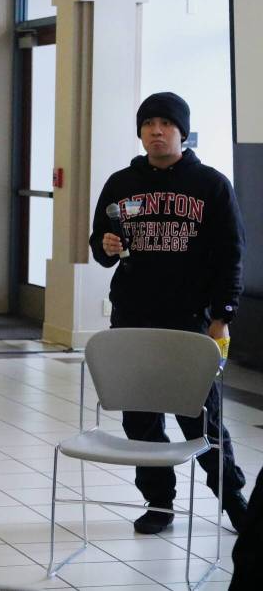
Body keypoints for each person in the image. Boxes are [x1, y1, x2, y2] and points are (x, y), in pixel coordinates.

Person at [89, 91, 249, 535]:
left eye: (165, 124)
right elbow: (101, 244)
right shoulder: (122, 183)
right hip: (133, 319)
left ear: (182, 131)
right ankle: (159, 502)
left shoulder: (212, 185)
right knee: (140, 417)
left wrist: (223, 315)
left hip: (191, 323)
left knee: (202, 418)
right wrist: (106, 247)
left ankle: (232, 498)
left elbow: (231, 255)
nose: (156, 131)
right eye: (148, 124)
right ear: (140, 132)